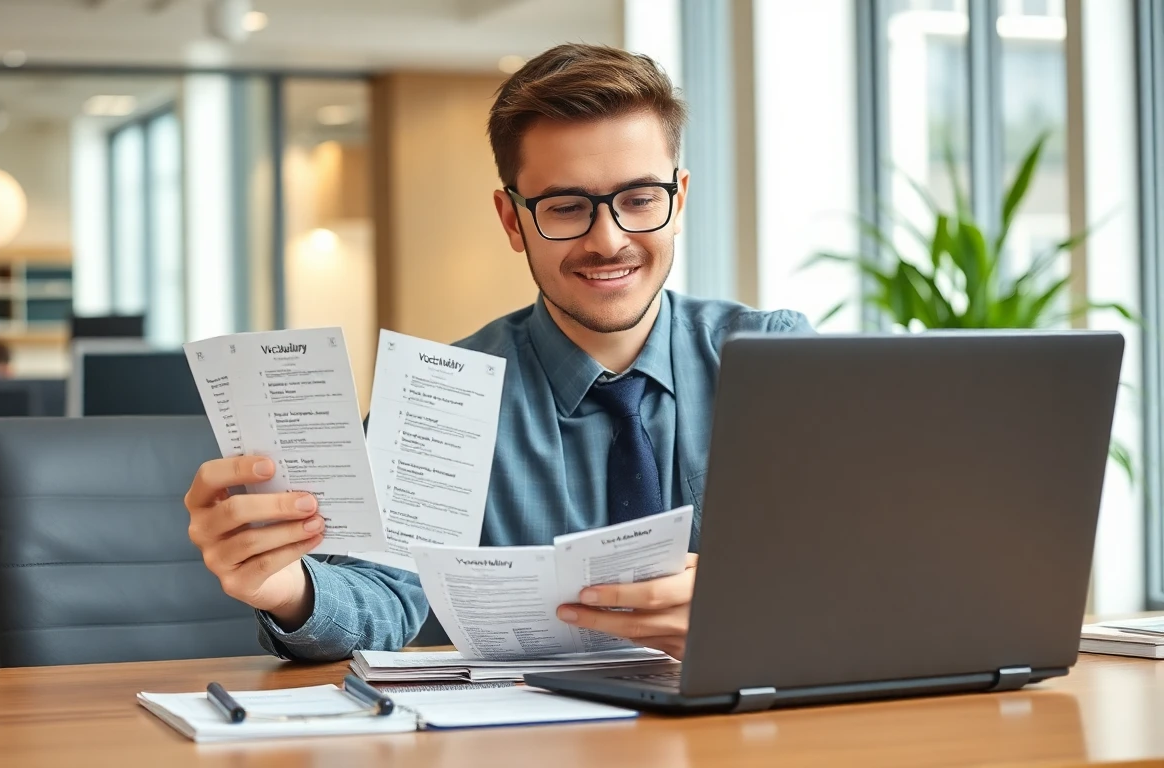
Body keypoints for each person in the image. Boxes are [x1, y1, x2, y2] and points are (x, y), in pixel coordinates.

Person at [184, 43, 812, 663]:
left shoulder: (775, 362)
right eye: (566, 207)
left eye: (639, 200)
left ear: (678, 199)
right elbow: (381, 597)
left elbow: (860, 560)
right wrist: (286, 588)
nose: (609, 239)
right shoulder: (437, 402)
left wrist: (748, 603)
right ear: (512, 220)